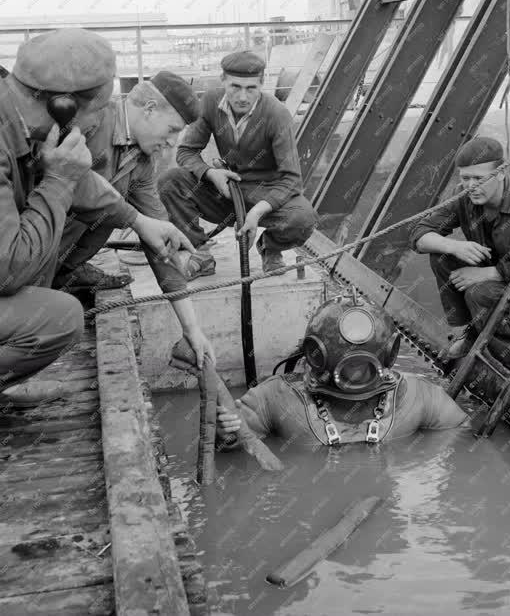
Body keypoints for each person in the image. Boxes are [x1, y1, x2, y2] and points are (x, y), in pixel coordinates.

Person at [0, 29, 199, 394]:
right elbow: (10, 265)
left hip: (34, 264)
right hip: (18, 264)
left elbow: (88, 185)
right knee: (58, 319)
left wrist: (193, 330)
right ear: (63, 106)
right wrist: (63, 179)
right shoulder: (66, 126)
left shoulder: (27, 125)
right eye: (172, 130)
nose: (93, 125)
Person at [52, 70, 214, 366]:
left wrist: (192, 330)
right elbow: (75, 186)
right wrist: (133, 218)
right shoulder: (91, 120)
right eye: (172, 130)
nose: (172, 143)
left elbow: (159, 242)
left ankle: (65, 272)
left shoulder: (141, 164)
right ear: (150, 109)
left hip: (54, 255)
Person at [214, 296, 470, 448]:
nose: (355, 375)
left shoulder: (417, 397)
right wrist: (228, 429)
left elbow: (463, 435)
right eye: (350, 369)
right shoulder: (278, 397)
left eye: (362, 369)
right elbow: (233, 439)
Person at [410, 136, 510, 366]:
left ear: (502, 172)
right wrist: (454, 245)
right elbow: (418, 234)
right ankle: (474, 330)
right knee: (442, 255)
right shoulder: (464, 195)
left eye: (479, 178)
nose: (471, 185)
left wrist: (490, 273)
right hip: (501, 273)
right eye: (465, 178)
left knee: (480, 293)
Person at [158, 50, 317, 278]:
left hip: (265, 194)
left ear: (262, 84)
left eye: (251, 88)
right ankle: (200, 252)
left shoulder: (277, 115)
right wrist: (211, 174)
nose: (242, 97)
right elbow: (186, 151)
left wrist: (256, 214)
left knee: (303, 219)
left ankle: (270, 248)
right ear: (223, 80)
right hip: (225, 191)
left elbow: (292, 179)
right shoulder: (211, 102)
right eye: (235, 87)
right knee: (169, 182)